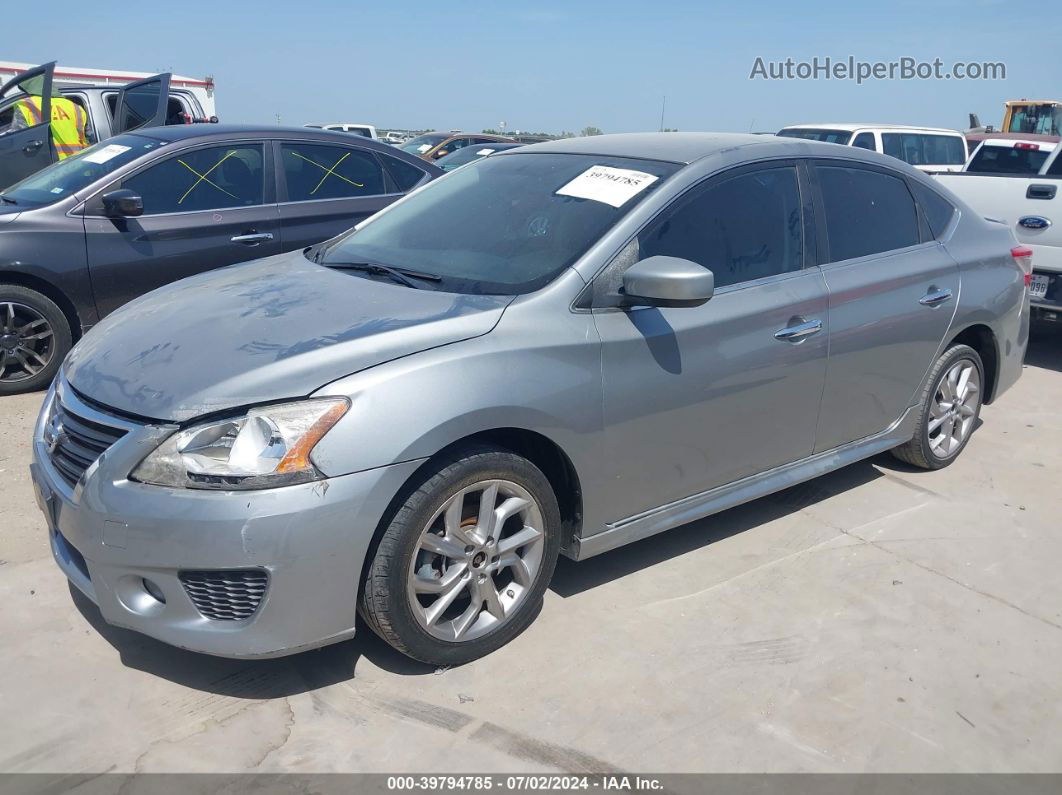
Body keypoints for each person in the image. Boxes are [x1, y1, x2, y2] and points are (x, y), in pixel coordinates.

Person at [3, 76, 89, 159]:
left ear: (29, 88)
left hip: (45, 162)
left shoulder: (25, 105)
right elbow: (87, 136)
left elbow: (16, 140)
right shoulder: (75, 106)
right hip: (77, 162)